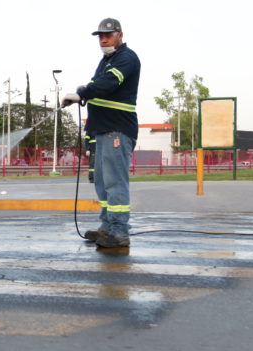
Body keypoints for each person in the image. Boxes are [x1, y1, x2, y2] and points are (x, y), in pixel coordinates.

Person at [62, 17, 140, 248]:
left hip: (117, 129)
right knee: (102, 182)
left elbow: (106, 85)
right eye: (100, 36)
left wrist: (83, 93)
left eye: (108, 35)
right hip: (102, 130)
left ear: (120, 35)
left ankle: (119, 232)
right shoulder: (106, 61)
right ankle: (107, 227)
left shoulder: (126, 58)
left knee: (115, 182)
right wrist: (82, 92)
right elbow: (97, 85)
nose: (104, 39)